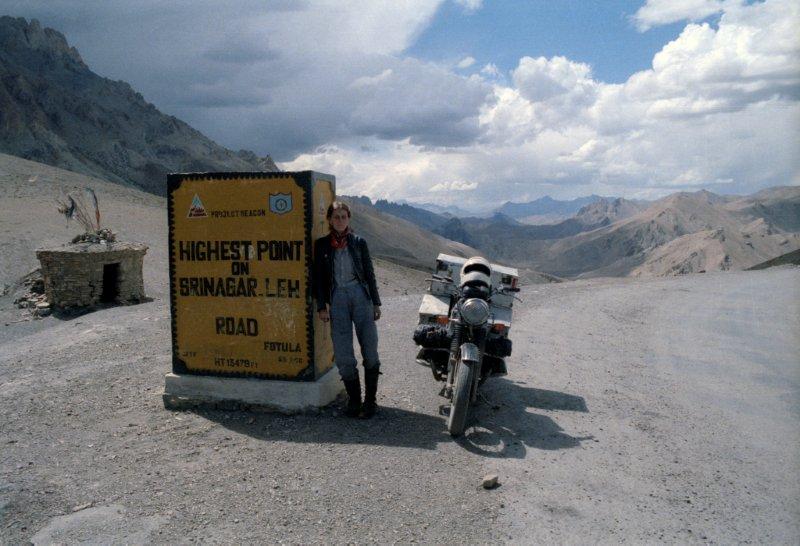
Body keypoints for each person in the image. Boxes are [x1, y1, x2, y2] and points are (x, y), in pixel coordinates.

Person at [313, 201, 382, 418]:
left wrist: (376, 303)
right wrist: (321, 306)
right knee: (343, 353)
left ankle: (370, 402)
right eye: (336, 217)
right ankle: (354, 401)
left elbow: (369, 274)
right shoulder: (322, 245)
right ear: (330, 220)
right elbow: (318, 279)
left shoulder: (359, 243)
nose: (340, 220)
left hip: (361, 297)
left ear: (349, 218)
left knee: (369, 348)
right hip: (338, 299)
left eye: (344, 216)